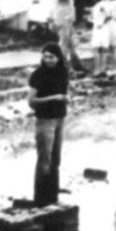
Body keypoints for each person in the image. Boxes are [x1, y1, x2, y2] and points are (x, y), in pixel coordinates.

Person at [27, 44, 69, 207]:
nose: (48, 60)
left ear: (58, 58)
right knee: (44, 160)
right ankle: (40, 199)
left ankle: (53, 196)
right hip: (45, 120)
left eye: (52, 57)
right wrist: (54, 98)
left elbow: (64, 93)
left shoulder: (63, 72)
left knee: (56, 160)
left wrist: (64, 98)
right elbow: (31, 102)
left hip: (60, 119)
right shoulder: (38, 75)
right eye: (45, 56)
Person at [89, 0, 116, 77]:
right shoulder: (104, 3)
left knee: (108, 49)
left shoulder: (112, 3)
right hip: (106, 26)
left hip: (108, 27)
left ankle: (107, 69)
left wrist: (115, 16)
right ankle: (106, 69)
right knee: (106, 49)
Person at [50, 0, 79, 73]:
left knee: (71, 44)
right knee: (64, 43)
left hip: (68, 20)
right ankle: (61, 66)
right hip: (62, 20)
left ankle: (74, 65)